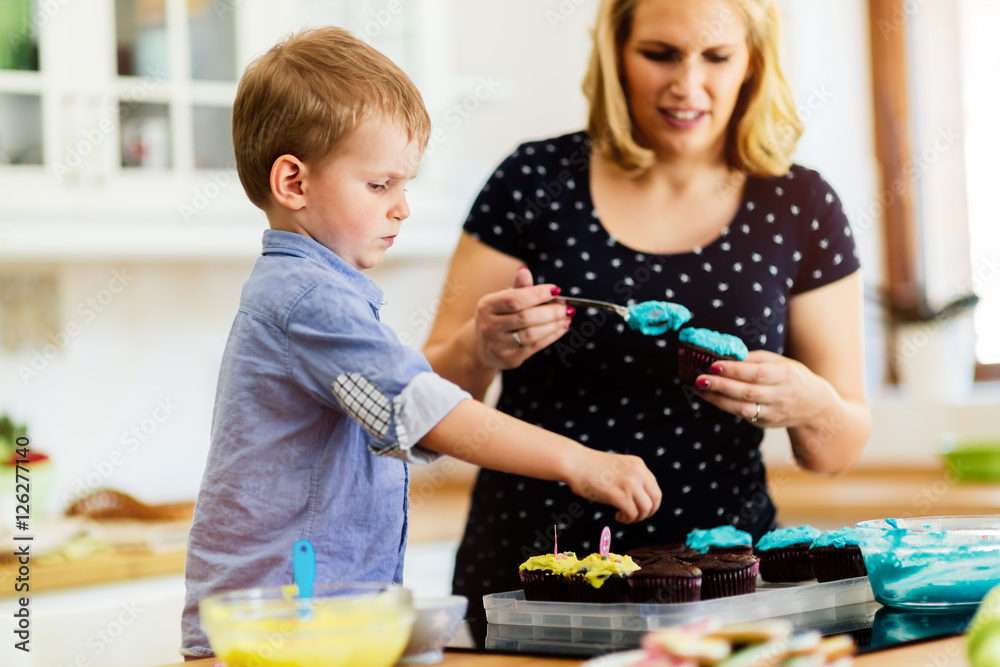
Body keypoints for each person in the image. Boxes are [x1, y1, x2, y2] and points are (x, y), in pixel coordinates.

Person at [179, 26, 662, 660]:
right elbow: (427, 414)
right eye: (380, 185)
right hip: (278, 636)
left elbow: (398, 406)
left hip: (318, 630)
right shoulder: (309, 299)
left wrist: (485, 352)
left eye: (405, 185)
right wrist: (584, 462)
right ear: (293, 183)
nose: (401, 208)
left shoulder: (320, 292)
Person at [423, 0, 871, 636]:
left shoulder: (800, 203)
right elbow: (425, 406)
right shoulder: (533, 179)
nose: (687, 86)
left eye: (717, 57)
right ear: (616, 53)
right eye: (659, 54)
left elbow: (837, 448)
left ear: (753, 63)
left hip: (727, 587)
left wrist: (812, 403)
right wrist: (479, 346)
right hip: (532, 580)